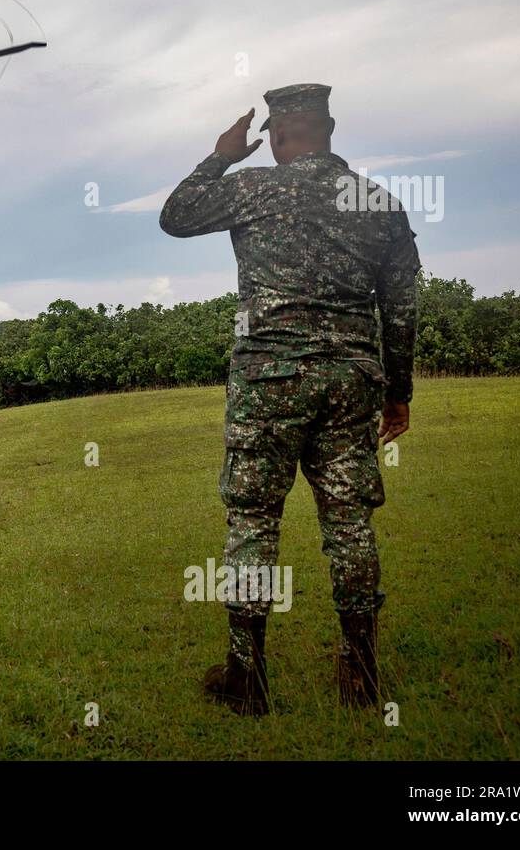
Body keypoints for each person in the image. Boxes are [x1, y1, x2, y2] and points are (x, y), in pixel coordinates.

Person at [160, 84, 420, 715]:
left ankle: (246, 679)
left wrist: (220, 155)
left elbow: (175, 216)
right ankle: (361, 676)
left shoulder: (253, 187)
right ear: (329, 128)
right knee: (350, 524)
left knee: (253, 522)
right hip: (352, 381)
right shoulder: (378, 201)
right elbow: (404, 306)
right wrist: (398, 391)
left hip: (267, 382)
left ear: (275, 136)